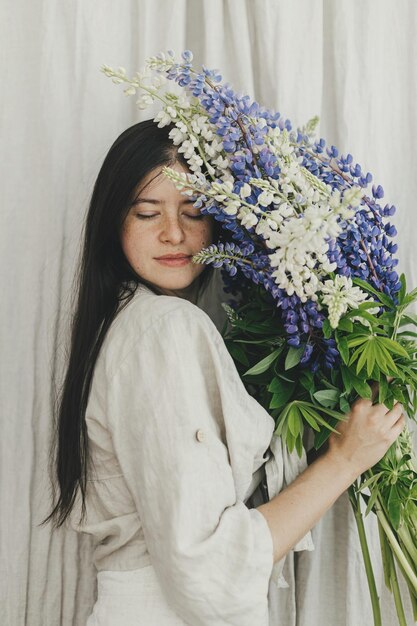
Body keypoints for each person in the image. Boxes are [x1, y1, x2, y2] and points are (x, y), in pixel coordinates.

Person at [43, 119, 405, 626]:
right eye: (148, 213)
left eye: (194, 211)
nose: (174, 233)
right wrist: (345, 460)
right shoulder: (164, 330)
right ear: (113, 222)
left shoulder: (127, 325)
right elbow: (206, 570)